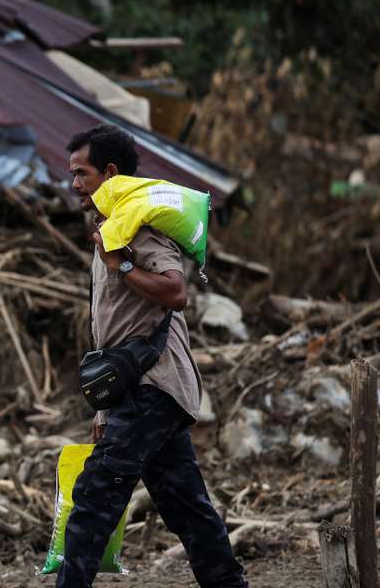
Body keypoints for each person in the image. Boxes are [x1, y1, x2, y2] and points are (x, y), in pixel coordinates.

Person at [58, 124, 248, 588]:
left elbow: (175, 292)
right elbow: (116, 329)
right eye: (72, 174)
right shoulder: (113, 228)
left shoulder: (139, 228)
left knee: (95, 497)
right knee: (187, 508)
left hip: (152, 387)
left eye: (82, 174)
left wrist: (121, 264)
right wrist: (104, 409)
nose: (74, 184)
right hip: (142, 390)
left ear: (110, 173)